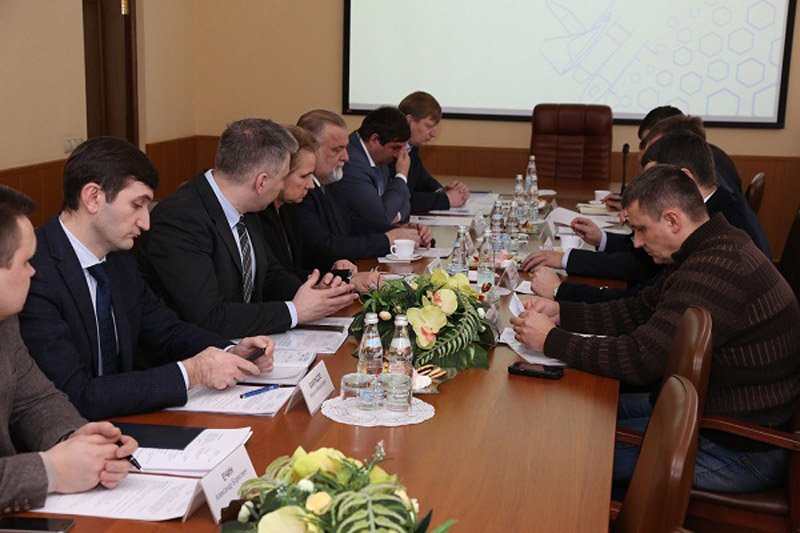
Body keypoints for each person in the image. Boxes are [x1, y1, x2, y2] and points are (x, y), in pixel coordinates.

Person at [512, 165, 800, 492]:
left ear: (673, 220)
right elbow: (639, 310)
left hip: (738, 447)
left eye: (640, 230)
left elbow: (639, 360)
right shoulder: (708, 246)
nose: (636, 243)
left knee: (560, 448)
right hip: (700, 411)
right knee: (566, 414)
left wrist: (551, 340)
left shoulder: (717, 268)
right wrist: (563, 313)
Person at [19, 137, 275, 420]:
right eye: (136, 205)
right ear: (93, 198)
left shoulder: (119, 259)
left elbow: (165, 330)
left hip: (126, 419)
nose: (146, 222)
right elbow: (75, 395)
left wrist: (230, 350)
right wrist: (193, 372)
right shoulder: (34, 272)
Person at [138, 118, 359, 339]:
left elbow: (269, 275)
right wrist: (295, 311)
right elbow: (210, 317)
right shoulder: (180, 220)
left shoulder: (247, 205)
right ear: (261, 182)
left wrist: (315, 293)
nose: (283, 186)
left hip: (245, 340)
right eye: (283, 178)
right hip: (194, 350)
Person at [0, 184, 138, 511]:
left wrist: (79, 440)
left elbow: (35, 400)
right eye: (25, 262)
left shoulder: (5, 320)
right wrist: (53, 470)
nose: (34, 272)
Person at [522, 131, 772, 302]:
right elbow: (647, 300)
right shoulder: (713, 211)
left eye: (654, 180)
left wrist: (561, 291)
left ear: (684, 179)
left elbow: (646, 301)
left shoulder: (719, 231)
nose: (638, 241)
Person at [293, 110, 431, 262]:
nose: (346, 157)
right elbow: (325, 247)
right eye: (337, 149)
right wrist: (386, 240)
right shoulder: (300, 191)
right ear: (311, 150)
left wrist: (401, 232)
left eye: (345, 148)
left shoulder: (330, 182)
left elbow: (351, 224)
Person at [259, 125, 378, 293]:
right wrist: (345, 279)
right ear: (280, 173)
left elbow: (303, 262)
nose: (311, 185)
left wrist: (335, 266)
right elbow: (276, 280)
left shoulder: (288, 208)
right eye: (303, 176)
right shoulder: (259, 215)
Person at [339, 106, 413, 232]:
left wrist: (393, 215)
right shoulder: (352, 163)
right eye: (395, 148)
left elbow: (405, 201)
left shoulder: (378, 156)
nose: (399, 155)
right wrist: (401, 176)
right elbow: (381, 218)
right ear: (374, 140)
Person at [397, 91, 469, 212]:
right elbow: (400, 199)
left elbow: (423, 181)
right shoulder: (389, 150)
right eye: (429, 126)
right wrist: (446, 199)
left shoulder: (411, 147)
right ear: (409, 121)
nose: (434, 134)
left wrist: (442, 191)